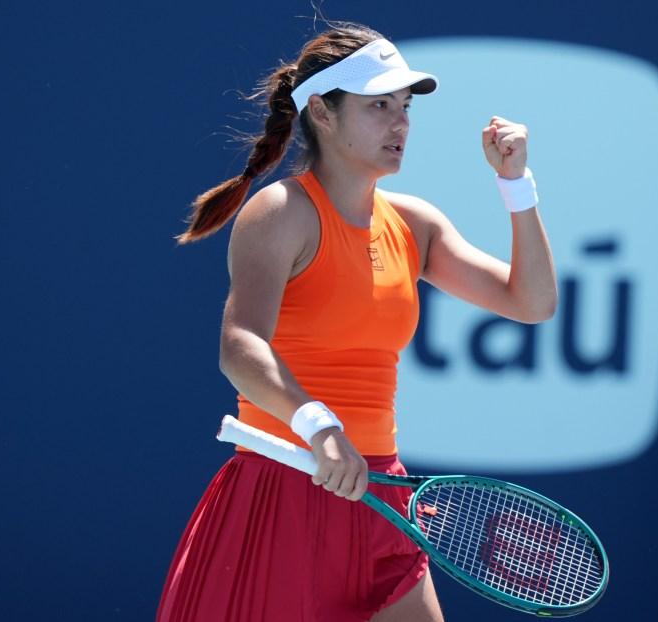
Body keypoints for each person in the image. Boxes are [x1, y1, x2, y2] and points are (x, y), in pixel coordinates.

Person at [157, 21, 557, 622]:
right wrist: (319, 426)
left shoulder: (416, 224)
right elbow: (240, 346)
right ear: (322, 111)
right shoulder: (281, 211)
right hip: (283, 490)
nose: (400, 125)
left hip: (378, 498)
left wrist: (516, 185)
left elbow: (532, 302)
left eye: (405, 108)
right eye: (379, 107)